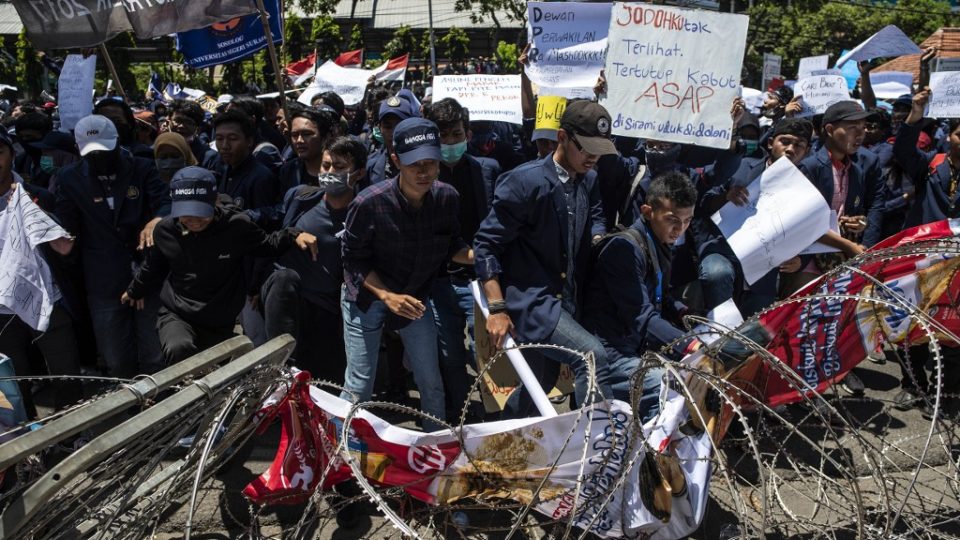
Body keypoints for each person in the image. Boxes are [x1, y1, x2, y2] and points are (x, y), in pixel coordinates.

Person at [473, 99, 614, 415]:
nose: (593, 156)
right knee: (591, 357)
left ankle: (502, 439)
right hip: (533, 302)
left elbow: (594, 217)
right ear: (562, 137)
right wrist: (496, 309)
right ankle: (601, 448)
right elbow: (485, 245)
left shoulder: (588, 178)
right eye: (586, 147)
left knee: (540, 385)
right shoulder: (524, 182)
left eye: (599, 149)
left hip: (568, 299)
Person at [340, 117, 473, 431]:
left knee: (430, 379)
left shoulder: (447, 198)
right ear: (396, 160)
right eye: (415, 165)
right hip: (366, 298)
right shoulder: (368, 203)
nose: (424, 172)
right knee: (360, 382)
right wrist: (387, 295)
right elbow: (352, 262)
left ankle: (435, 446)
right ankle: (345, 453)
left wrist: (484, 255)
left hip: (414, 298)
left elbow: (453, 246)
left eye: (431, 162)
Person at [122, 167, 317, 365]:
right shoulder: (165, 230)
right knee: (179, 349)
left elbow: (267, 244)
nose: (194, 222)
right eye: (187, 215)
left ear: (214, 201)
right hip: (178, 314)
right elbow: (153, 265)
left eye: (200, 214)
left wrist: (294, 234)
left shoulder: (236, 226)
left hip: (219, 321)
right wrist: (135, 290)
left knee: (217, 375)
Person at [54, 115, 168, 378]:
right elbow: (67, 224)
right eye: (92, 154)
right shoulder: (69, 178)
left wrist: (158, 219)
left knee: (154, 354)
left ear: (117, 142)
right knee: (116, 359)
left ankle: (160, 406)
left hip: (147, 272)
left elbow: (164, 202)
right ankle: (126, 408)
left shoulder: (142, 168)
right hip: (103, 280)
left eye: (105, 151)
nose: (99, 159)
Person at [582, 171, 699, 417]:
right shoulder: (624, 251)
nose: (680, 229)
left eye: (687, 221)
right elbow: (642, 317)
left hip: (635, 346)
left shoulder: (658, 242)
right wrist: (691, 344)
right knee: (668, 387)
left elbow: (658, 294)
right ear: (647, 211)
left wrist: (682, 311)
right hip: (611, 356)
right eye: (672, 220)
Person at [423, 97, 500, 419]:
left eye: (456, 134)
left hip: (481, 279)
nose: (450, 142)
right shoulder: (423, 177)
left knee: (487, 352)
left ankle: (497, 416)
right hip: (440, 280)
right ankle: (462, 413)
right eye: (442, 136)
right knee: (450, 353)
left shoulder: (488, 171)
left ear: (467, 134)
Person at [0, 127, 81, 417]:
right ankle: (25, 439)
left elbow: (66, 248)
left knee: (66, 373)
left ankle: (71, 434)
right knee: (11, 380)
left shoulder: (38, 198)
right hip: (2, 312)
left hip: (48, 301)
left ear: (11, 154)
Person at [696, 118, 814, 316]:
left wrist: (800, 260)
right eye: (785, 141)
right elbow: (705, 202)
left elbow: (812, 229)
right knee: (717, 274)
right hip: (724, 251)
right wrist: (726, 197)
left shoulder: (807, 187)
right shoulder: (740, 167)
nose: (791, 149)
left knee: (751, 333)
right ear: (770, 143)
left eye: (799, 145)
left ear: (807, 151)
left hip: (764, 268)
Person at [889, 88, 960, 414]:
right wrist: (916, 113)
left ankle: (944, 393)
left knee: (951, 330)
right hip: (921, 259)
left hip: (956, 266)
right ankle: (912, 385)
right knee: (912, 326)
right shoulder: (932, 164)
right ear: (951, 137)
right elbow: (903, 150)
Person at [260, 172, 357, 382]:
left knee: (325, 384)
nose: (331, 172)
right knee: (284, 279)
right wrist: (292, 234)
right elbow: (266, 236)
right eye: (327, 165)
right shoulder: (300, 198)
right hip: (294, 301)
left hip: (331, 307)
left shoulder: (363, 210)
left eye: (339, 166)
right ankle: (280, 375)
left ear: (359, 173)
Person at [277, 107, 336, 193]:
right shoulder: (289, 170)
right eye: (295, 135)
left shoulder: (339, 170)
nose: (299, 140)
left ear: (326, 137)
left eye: (307, 134)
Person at [366, 95, 419, 184]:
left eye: (400, 126)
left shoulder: (426, 162)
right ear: (379, 128)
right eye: (388, 127)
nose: (394, 132)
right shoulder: (370, 165)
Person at [168, 99, 218, 167]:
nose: (181, 126)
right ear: (169, 120)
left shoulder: (210, 158)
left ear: (197, 128)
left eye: (188, 122)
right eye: (177, 120)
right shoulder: (157, 149)